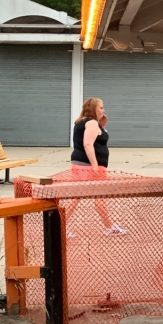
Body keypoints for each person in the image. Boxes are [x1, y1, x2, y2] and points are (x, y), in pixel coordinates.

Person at [67, 97, 127, 235]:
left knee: (77, 196)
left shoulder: (81, 122)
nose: (103, 110)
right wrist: (95, 165)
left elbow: (96, 140)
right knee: (99, 197)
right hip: (89, 167)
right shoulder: (92, 123)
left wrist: (102, 127)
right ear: (93, 109)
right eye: (101, 107)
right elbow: (88, 144)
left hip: (79, 164)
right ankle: (108, 227)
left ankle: (61, 225)